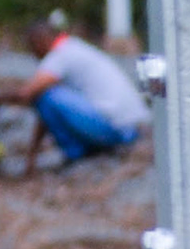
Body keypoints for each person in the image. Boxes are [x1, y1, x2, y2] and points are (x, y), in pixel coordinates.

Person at [18, 12, 144, 166]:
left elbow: (27, 93)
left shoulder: (60, 55)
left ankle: (78, 153)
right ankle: (85, 150)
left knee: (47, 96)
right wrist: (32, 155)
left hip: (117, 130)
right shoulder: (74, 46)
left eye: (31, 47)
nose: (32, 53)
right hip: (131, 127)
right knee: (49, 97)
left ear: (39, 41)